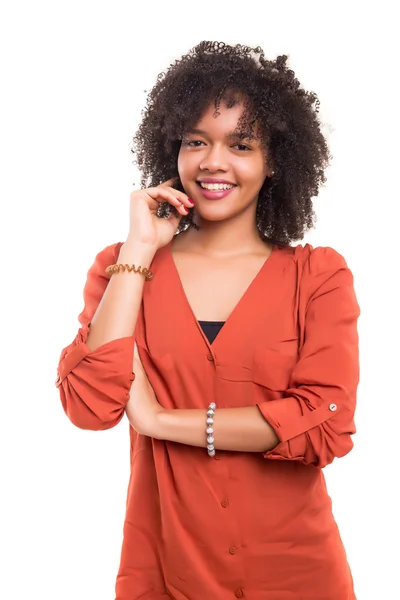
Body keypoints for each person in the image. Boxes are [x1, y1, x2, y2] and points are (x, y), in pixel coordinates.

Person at [56, 41, 360, 600]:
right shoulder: (122, 267)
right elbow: (89, 405)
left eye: (240, 144)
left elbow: (326, 425)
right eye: (196, 141)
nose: (213, 162)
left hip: (298, 577)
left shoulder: (317, 276)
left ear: (274, 163)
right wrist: (141, 249)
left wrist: (161, 421)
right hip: (168, 574)